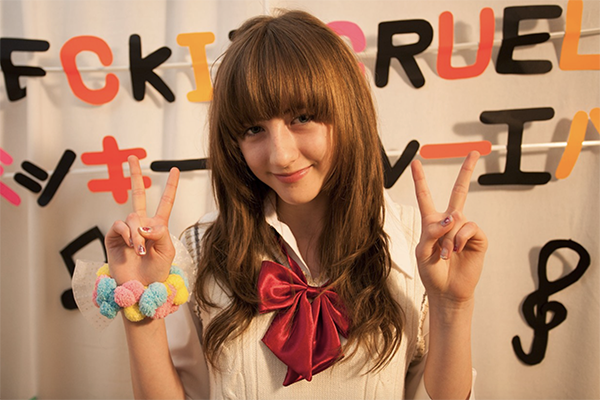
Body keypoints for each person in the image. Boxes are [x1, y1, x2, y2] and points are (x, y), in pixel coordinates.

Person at [80, 9, 487, 400]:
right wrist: (141, 303)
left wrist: (453, 306)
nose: (281, 155)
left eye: (302, 117)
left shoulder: (417, 245)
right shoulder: (201, 248)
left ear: (348, 113)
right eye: (254, 129)